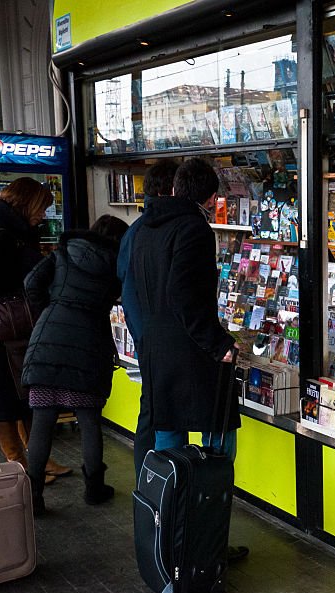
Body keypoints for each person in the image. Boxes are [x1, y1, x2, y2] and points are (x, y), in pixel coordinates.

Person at [131, 158, 247, 564]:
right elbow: (186, 296)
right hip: (192, 357)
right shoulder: (193, 228)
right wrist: (219, 345)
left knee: (167, 448)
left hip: (157, 352)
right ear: (211, 198)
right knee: (218, 444)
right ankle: (206, 541)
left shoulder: (146, 227)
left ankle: (170, 543)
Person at [22, 215, 127, 515]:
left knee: (42, 420)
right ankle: (95, 489)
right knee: (89, 420)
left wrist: (51, 310)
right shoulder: (115, 266)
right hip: (89, 346)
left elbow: (30, 283)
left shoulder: (63, 253)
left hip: (48, 339)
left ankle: (35, 498)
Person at [0, 178, 71, 482]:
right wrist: (31, 280)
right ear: (27, 204)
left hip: (17, 330)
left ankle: (37, 457)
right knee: (5, 400)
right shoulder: (2, 235)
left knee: (28, 395)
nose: (44, 214)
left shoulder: (15, 233)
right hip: (2, 333)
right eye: (41, 208)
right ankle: (19, 463)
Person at [117, 160, 178, 480]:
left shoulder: (138, 229)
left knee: (154, 410)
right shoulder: (150, 230)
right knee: (155, 413)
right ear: (168, 189)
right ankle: (151, 482)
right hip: (154, 339)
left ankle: (152, 481)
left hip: (149, 336)